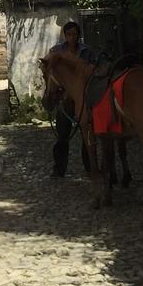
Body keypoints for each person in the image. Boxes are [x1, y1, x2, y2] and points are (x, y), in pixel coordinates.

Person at [49, 20, 95, 177]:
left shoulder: (87, 52)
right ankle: (59, 168)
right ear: (65, 35)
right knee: (62, 135)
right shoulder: (57, 51)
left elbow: (92, 71)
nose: (72, 37)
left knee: (86, 134)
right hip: (65, 99)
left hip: (83, 97)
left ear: (78, 36)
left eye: (74, 34)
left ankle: (90, 167)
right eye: (69, 34)